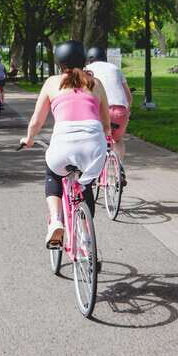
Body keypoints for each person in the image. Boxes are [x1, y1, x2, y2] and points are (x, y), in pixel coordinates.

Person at [20, 40, 110, 248]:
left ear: (59, 62)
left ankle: (56, 221)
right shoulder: (95, 83)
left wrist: (30, 138)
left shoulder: (52, 82)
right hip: (93, 147)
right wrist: (105, 136)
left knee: (53, 173)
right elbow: (105, 122)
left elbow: (37, 121)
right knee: (84, 184)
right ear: (84, 59)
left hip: (63, 144)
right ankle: (87, 238)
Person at [86, 46, 132, 168]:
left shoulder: (86, 70)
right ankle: (120, 168)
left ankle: (95, 170)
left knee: (93, 139)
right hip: (120, 110)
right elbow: (128, 96)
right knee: (117, 140)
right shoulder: (115, 68)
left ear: (89, 59)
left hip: (100, 111)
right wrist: (128, 112)